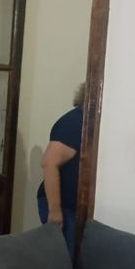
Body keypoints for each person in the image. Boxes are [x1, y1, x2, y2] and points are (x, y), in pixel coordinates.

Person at [37, 82, 85, 257]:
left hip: (75, 209)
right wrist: (55, 211)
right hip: (62, 208)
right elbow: (49, 163)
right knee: (62, 261)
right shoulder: (74, 122)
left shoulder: (87, 122)